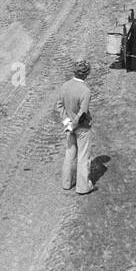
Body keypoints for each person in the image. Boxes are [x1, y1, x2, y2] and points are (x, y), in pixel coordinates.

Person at [56, 59, 95, 195]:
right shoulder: (85, 91)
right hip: (82, 128)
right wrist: (74, 124)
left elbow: (59, 106)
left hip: (69, 127)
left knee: (69, 155)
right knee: (83, 157)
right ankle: (83, 187)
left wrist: (67, 123)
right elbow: (82, 113)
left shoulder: (65, 85)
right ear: (87, 73)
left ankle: (67, 183)